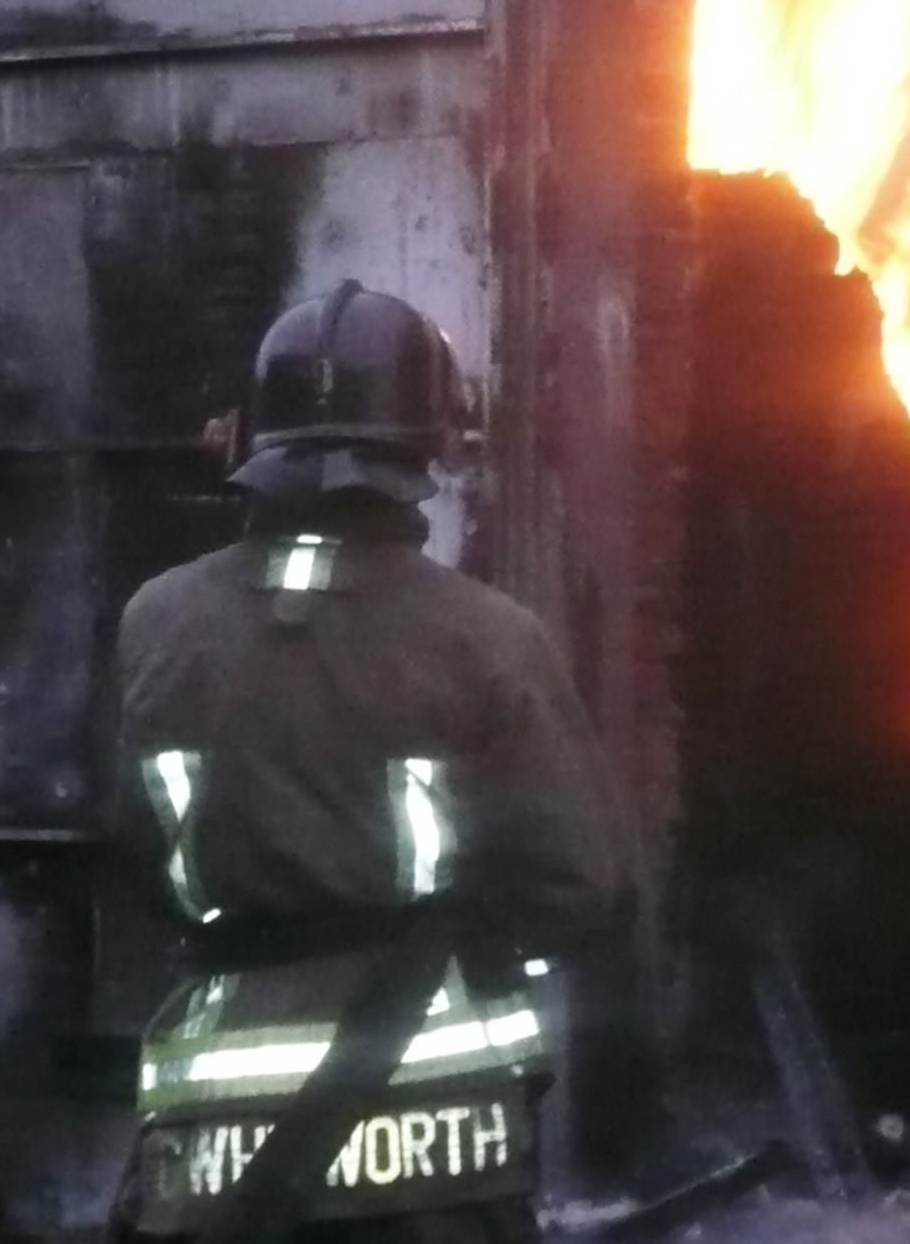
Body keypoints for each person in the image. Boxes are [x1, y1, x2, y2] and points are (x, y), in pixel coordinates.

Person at [113, 281, 625, 1243]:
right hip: (441, 1165)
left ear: (245, 442)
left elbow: (132, 853)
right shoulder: (487, 636)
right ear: (431, 451)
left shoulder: (155, 621)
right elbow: (577, 885)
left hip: (214, 1162)